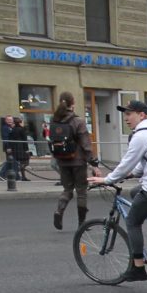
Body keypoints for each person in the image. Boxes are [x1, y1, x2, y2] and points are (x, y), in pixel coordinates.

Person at [90, 99, 147, 282]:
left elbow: (126, 163)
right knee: (134, 192)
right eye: (125, 114)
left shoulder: (141, 135)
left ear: (142, 115)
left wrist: (107, 179)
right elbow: (145, 164)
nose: (126, 118)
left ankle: (138, 268)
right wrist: (131, 175)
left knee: (132, 221)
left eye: (129, 114)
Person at [48, 94, 96, 230]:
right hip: (78, 161)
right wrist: (92, 161)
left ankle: (59, 211)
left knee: (67, 189)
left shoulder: (54, 119)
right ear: (72, 103)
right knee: (81, 191)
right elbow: (85, 143)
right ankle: (82, 224)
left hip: (62, 160)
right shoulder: (77, 121)